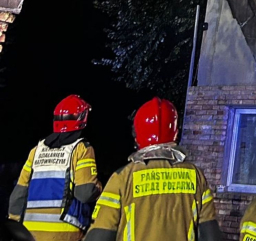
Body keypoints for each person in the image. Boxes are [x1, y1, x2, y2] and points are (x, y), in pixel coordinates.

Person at [84, 98, 222, 241]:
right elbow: (211, 235)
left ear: (137, 136)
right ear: (175, 133)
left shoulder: (122, 178)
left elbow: (99, 235)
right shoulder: (196, 176)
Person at [8, 95, 101, 241]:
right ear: (82, 118)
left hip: (30, 234)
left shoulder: (36, 150)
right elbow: (85, 193)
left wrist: (15, 229)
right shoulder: (82, 149)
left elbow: (18, 196)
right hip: (66, 233)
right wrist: (100, 187)